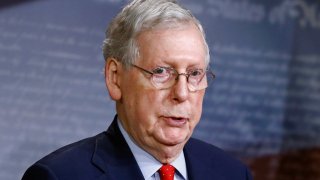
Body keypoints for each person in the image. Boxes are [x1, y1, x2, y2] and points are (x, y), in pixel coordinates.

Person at [22, 0, 252, 179]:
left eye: (194, 74)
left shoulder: (232, 173)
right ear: (115, 78)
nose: (181, 94)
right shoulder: (59, 176)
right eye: (161, 72)